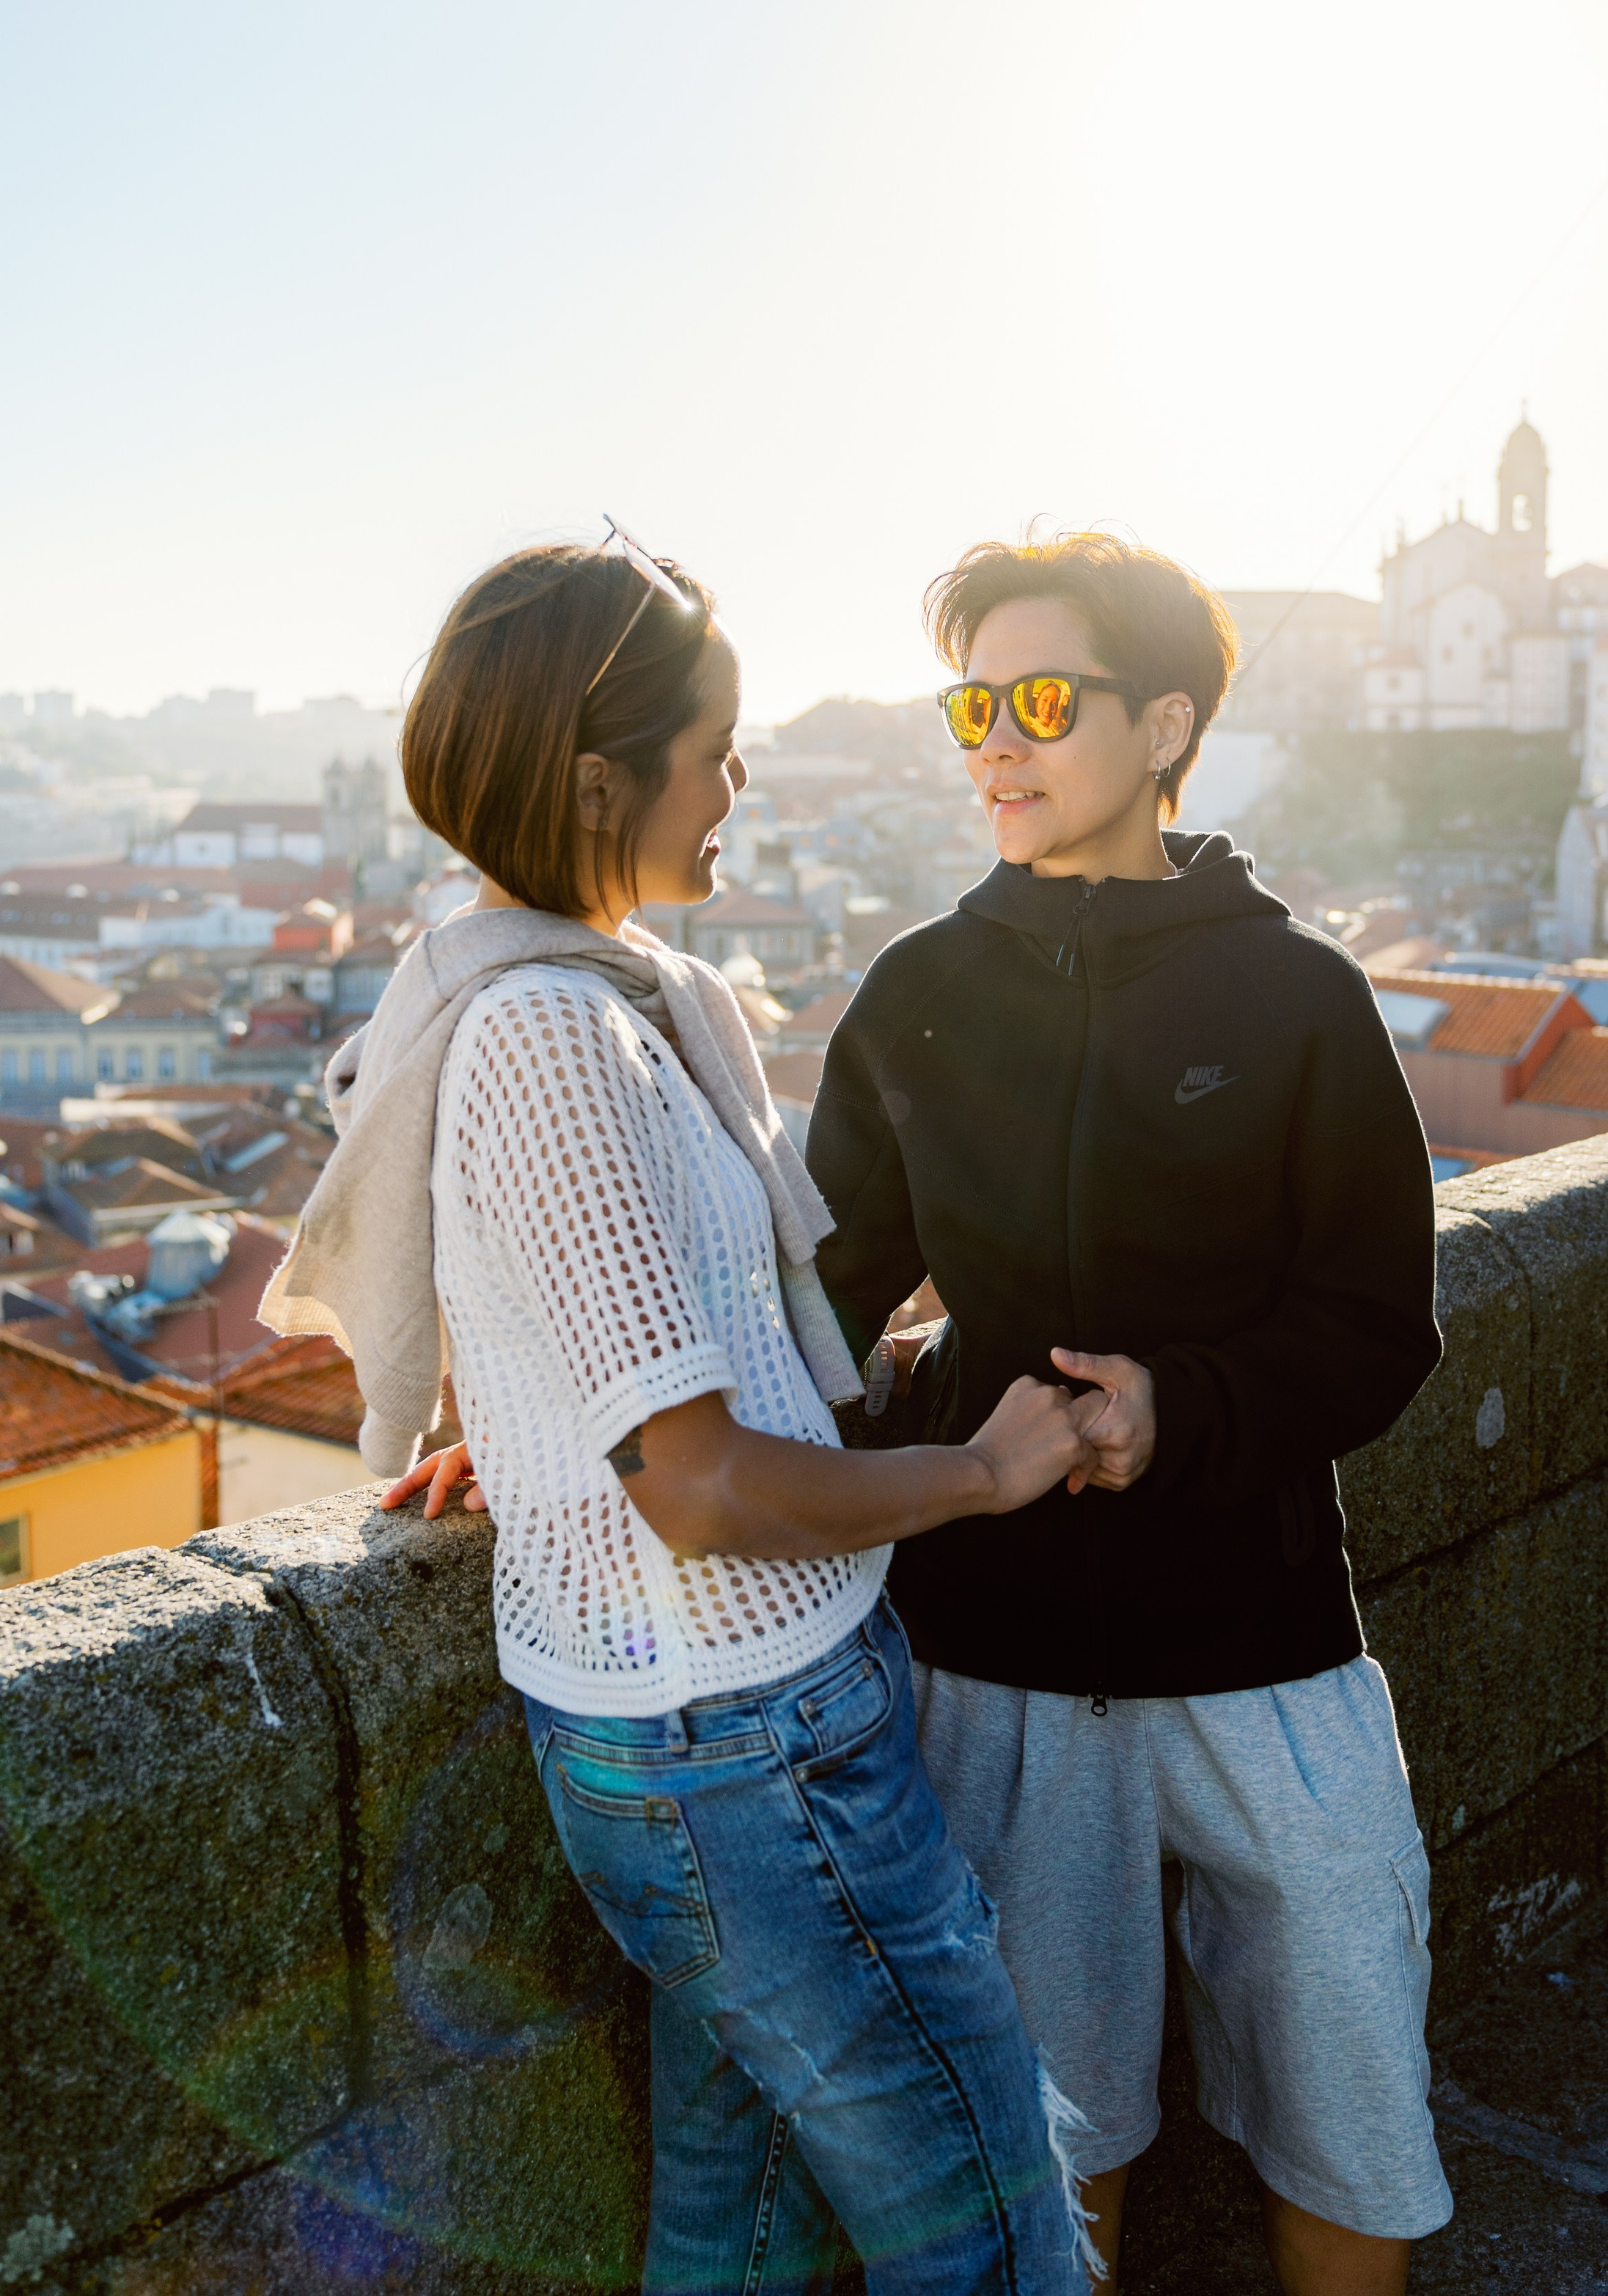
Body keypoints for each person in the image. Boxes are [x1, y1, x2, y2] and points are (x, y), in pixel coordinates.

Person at [264, 532, 1104, 2296]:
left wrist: (547, 1413)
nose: (741, 777)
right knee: (999, 2223)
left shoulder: (606, 1006)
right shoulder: (562, 1037)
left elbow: (642, 1339)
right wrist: (986, 1469)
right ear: (596, 779)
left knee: (739, 2223)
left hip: (709, 1734)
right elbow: (704, 1488)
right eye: (714, 745)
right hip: (745, 1745)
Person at [807, 533, 1453, 2296]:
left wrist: (1183, 1406)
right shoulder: (915, 997)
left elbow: (1376, 1327)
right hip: (996, 1659)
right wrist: (586, 1439)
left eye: (1037, 701)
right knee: (1048, 2133)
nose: (992, 747)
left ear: (1163, 722)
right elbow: (814, 1297)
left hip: (1262, 1643)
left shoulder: (1297, 995)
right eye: (969, 707)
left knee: (1352, 2109)